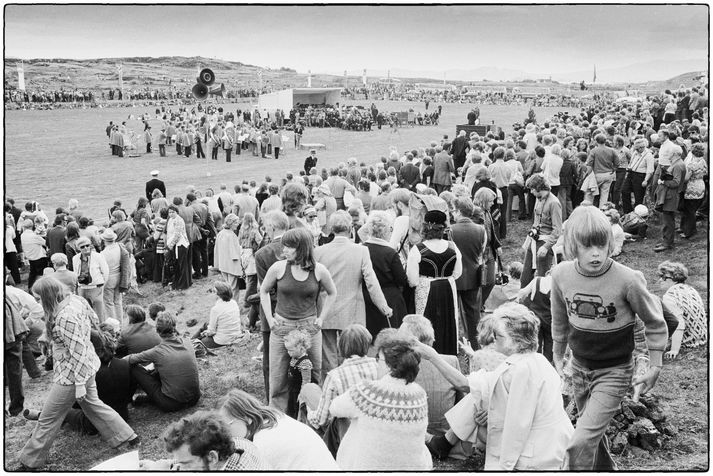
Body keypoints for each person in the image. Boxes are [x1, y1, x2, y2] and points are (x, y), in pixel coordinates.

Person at [550, 206, 668, 470]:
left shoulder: (628, 279)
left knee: (579, 443)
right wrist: (557, 355)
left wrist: (655, 365)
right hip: (579, 369)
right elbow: (559, 320)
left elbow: (654, 321)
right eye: (587, 246)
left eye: (601, 245)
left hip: (614, 371)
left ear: (610, 243)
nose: (595, 253)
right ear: (572, 245)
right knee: (591, 436)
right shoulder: (560, 274)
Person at [416, 303, 573, 470]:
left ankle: (443, 444)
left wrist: (432, 356)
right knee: (477, 405)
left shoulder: (517, 371)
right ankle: (444, 444)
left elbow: (518, 427)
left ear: (516, 340)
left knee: (478, 413)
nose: (494, 337)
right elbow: (471, 384)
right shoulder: (537, 360)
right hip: (554, 447)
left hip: (537, 458)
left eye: (498, 334)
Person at [19, 277, 138, 469]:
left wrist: (80, 384)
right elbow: (94, 321)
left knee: (48, 418)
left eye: (39, 298)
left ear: (48, 296)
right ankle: (127, 437)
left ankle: (29, 462)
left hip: (72, 375)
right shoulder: (75, 299)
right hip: (88, 366)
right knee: (94, 406)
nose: (37, 302)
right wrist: (50, 337)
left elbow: (78, 351)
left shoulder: (65, 317)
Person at [259, 227, 337, 411]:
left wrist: (321, 318)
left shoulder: (319, 270)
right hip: (282, 328)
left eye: (289, 246)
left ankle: (312, 416)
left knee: (313, 375)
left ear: (302, 248)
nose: (283, 250)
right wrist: (270, 319)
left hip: (309, 329)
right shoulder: (278, 268)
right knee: (278, 379)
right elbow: (263, 290)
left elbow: (332, 293)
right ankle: (278, 417)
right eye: (284, 245)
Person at [329, 338, 431, 470]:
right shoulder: (420, 394)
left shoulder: (367, 392)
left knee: (341, 419)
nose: (376, 363)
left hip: (366, 467)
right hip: (413, 467)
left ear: (389, 366)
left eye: (378, 358)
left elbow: (334, 408)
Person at [314, 211, 392, 379]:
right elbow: (371, 282)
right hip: (352, 308)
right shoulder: (361, 250)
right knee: (352, 351)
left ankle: (331, 382)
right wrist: (383, 305)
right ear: (350, 228)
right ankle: (350, 381)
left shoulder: (318, 252)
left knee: (327, 353)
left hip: (325, 308)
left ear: (331, 229)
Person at [300, 324, 378, 454]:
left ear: (341, 347)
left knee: (308, 389)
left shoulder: (335, 376)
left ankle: (310, 448)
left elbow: (321, 420)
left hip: (345, 435)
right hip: (373, 428)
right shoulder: (378, 366)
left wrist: (308, 410)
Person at [218, 389, 339, 470]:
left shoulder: (261, 446)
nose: (224, 435)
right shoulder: (276, 417)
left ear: (247, 418)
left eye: (226, 427)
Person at [406, 210, 462, 355]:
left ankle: (425, 352)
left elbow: (412, 280)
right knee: (448, 319)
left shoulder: (417, 249)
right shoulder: (453, 247)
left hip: (426, 286)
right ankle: (447, 351)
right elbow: (458, 273)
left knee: (425, 321)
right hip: (447, 286)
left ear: (425, 227)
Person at [399, 314, 463, 440]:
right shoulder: (451, 361)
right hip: (447, 436)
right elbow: (461, 403)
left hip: (411, 435)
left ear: (411, 341)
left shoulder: (399, 365)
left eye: (399, 336)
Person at [125, 311, 201, 412]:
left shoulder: (157, 351)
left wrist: (112, 362)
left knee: (133, 368)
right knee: (161, 370)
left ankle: (127, 401)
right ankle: (147, 399)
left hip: (171, 404)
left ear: (157, 331)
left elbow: (129, 359)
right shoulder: (187, 341)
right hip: (195, 398)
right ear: (174, 327)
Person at [254, 210, 289, 401]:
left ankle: (271, 399)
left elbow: (265, 290)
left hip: (272, 313)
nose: (265, 230)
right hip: (297, 308)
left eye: (266, 227)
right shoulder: (300, 246)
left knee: (270, 359)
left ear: (272, 227)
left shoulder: (263, 254)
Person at [156, 411, 267, 470]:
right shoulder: (234, 443)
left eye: (186, 464)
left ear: (212, 457)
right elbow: (187, 457)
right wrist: (166, 465)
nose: (180, 469)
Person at [360, 211, 408, 337]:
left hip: (366, 297)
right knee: (392, 337)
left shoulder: (361, 249)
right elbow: (402, 279)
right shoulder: (390, 253)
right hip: (389, 298)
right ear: (386, 231)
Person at [450, 197, 486, 347]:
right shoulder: (481, 230)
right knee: (473, 314)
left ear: (459, 211)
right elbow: (481, 252)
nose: (452, 213)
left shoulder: (450, 230)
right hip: (473, 275)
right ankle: (475, 345)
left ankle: (453, 345)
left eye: (453, 210)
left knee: (452, 313)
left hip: (453, 276)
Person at [657, 261, 706, 359]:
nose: (660, 280)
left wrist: (674, 350)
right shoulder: (691, 289)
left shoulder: (670, 296)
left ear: (675, 279)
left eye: (664, 277)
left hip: (686, 341)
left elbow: (678, 323)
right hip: (701, 338)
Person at [520, 174, 561, 288]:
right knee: (525, 278)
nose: (531, 192)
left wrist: (546, 247)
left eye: (532, 189)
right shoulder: (538, 199)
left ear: (539, 188)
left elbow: (557, 229)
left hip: (544, 243)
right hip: (534, 240)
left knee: (542, 280)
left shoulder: (554, 203)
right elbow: (536, 221)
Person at [652, 146, 686, 252]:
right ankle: (666, 240)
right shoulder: (677, 163)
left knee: (668, 220)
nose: (668, 154)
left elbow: (676, 182)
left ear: (675, 153)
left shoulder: (678, 165)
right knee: (667, 219)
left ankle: (667, 243)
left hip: (671, 196)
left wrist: (663, 182)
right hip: (670, 195)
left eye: (669, 152)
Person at [193, 282, 245, 348]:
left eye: (213, 291)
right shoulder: (234, 303)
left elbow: (211, 332)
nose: (212, 293)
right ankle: (191, 340)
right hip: (235, 335)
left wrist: (205, 333)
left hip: (223, 340)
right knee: (206, 324)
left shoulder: (215, 309)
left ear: (218, 294)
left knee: (201, 342)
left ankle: (190, 343)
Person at [73, 236, 109, 322]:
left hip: (96, 287)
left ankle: (102, 328)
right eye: (82, 247)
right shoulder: (75, 258)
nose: (86, 248)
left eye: (87, 245)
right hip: (82, 288)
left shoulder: (98, 256)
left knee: (99, 314)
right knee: (86, 313)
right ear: (79, 248)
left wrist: (102, 286)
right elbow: (75, 273)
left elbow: (105, 272)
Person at [99, 229, 130, 322]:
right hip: (119, 276)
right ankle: (120, 323)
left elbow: (102, 269)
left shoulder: (103, 253)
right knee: (118, 301)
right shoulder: (119, 247)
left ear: (104, 240)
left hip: (109, 278)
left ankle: (113, 324)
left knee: (109, 303)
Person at [284, 329, 315, 419]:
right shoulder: (295, 358)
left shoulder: (305, 363)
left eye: (291, 350)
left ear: (301, 349)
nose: (288, 353)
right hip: (292, 389)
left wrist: (302, 394)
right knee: (291, 407)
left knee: (297, 409)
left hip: (298, 391)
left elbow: (306, 381)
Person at [212, 213, 243, 301]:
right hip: (232, 266)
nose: (237, 224)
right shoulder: (232, 235)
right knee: (233, 288)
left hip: (223, 264)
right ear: (230, 223)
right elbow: (235, 253)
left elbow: (216, 250)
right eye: (235, 223)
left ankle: (227, 302)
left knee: (228, 286)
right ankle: (233, 304)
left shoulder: (220, 233)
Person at [680, 142, 707, 239]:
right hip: (701, 186)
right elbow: (706, 172)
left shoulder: (691, 164)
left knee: (689, 211)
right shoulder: (703, 161)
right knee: (692, 209)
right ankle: (685, 228)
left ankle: (689, 232)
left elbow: (686, 178)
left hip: (692, 188)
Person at [586, 133, 620, 208]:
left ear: (596, 141)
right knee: (604, 195)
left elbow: (589, 164)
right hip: (608, 174)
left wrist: (589, 175)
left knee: (590, 193)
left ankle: (589, 209)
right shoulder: (611, 150)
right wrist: (613, 169)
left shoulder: (594, 151)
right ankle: (602, 210)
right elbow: (617, 163)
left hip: (597, 174)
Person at [165, 205, 191, 290]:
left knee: (182, 265)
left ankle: (184, 285)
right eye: (169, 212)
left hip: (181, 244)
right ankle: (178, 283)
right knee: (177, 265)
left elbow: (177, 235)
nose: (171, 214)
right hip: (175, 245)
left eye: (173, 212)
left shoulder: (179, 220)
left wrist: (170, 245)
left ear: (177, 212)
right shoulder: (170, 220)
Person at [20, 219, 48, 292]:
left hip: (30, 257)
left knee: (32, 273)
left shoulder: (22, 235)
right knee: (40, 275)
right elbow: (45, 243)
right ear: (32, 226)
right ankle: (39, 289)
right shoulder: (34, 236)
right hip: (39, 257)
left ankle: (30, 288)